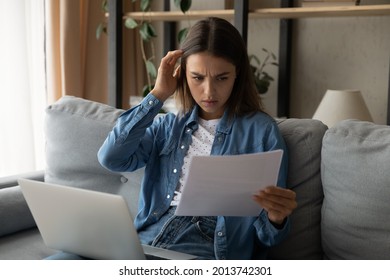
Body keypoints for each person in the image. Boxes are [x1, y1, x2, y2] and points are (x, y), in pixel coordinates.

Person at [97, 17, 296, 260]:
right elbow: (111, 157)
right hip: (147, 238)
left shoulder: (261, 131)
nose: (209, 91)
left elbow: (268, 237)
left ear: (237, 74)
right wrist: (158, 94)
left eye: (222, 78)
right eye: (198, 78)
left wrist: (277, 218)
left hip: (206, 244)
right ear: (183, 75)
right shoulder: (167, 125)